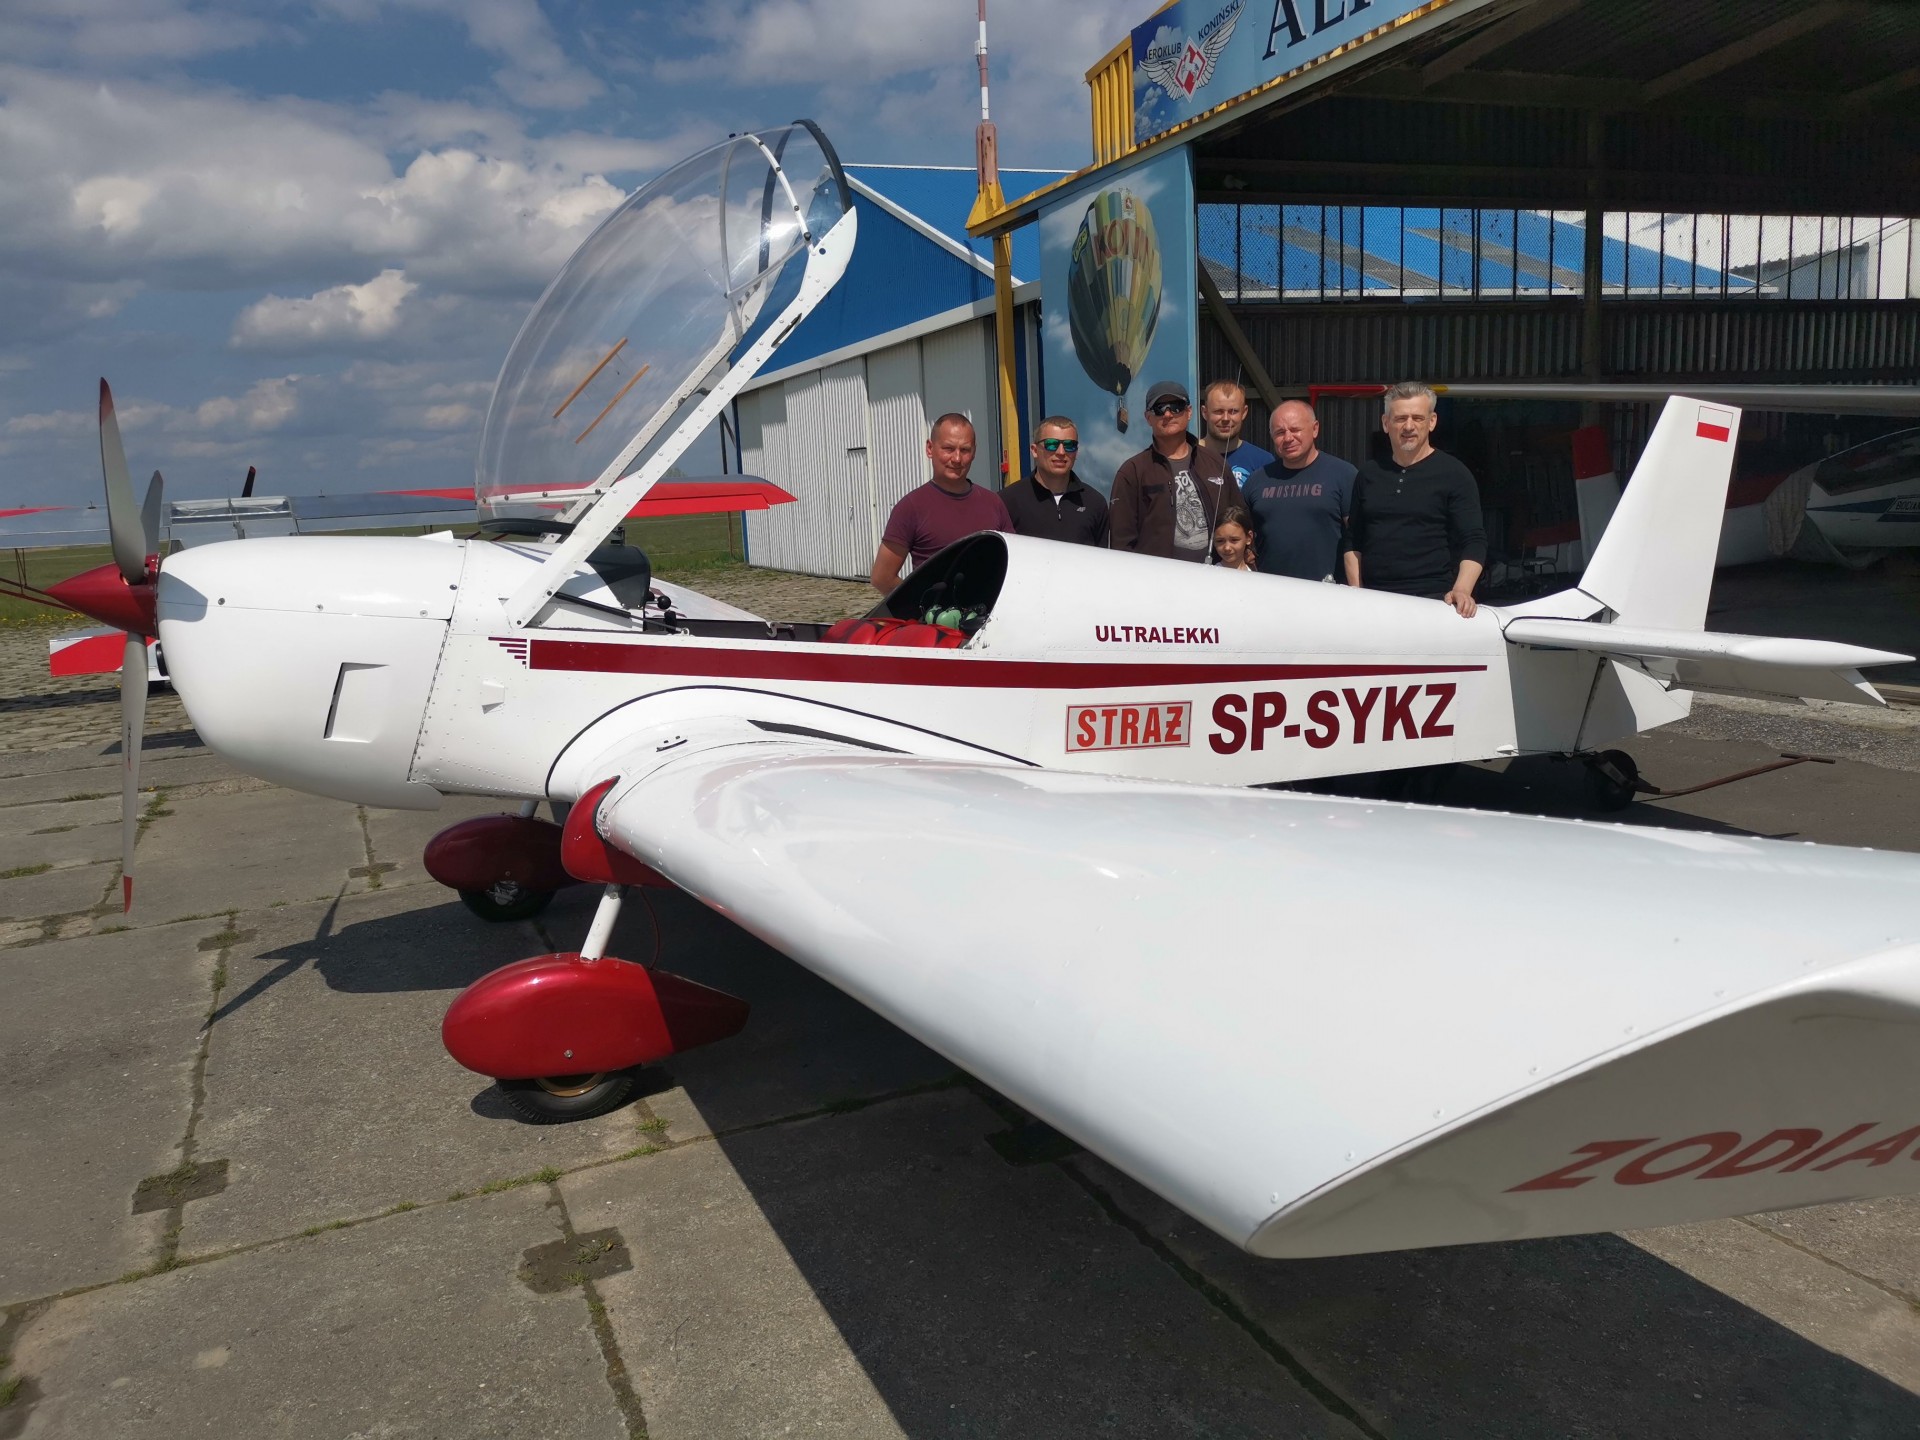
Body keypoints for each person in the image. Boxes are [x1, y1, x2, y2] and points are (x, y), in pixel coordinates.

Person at [1347, 382, 1486, 617]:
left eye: (1418, 418)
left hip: (1433, 602)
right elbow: (1353, 540)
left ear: (1432, 422)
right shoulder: (1368, 474)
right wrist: (1357, 593)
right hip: (1374, 602)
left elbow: (1474, 539)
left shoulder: (1455, 474)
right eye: (1400, 418)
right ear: (1386, 423)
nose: (1409, 426)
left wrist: (1461, 590)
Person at [871, 413, 1013, 595]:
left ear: (974, 452)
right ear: (930, 449)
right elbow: (882, 577)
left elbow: (1014, 562)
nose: (957, 458)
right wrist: (923, 604)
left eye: (965, 450)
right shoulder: (911, 507)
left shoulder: (993, 502)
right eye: (948, 449)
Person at [1109, 381, 1243, 562]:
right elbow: (1121, 543)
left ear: (1189, 412)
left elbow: (1240, 519)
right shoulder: (1132, 472)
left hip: (1215, 574)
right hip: (1158, 577)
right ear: (1148, 418)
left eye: (1176, 407)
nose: (1168, 414)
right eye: (1159, 409)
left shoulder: (1216, 463)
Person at [1243, 399, 1356, 583]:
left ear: (1315, 429)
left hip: (1328, 591)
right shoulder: (1257, 480)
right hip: (1270, 590)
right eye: (1280, 432)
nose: (1288, 438)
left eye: (1295, 430)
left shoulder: (1343, 475)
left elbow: (1358, 539)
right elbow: (1240, 535)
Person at [1002, 415, 1109, 546]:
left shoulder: (1095, 503)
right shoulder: (1008, 501)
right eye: (1051, 444)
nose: (1061, 452)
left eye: (1069, 445)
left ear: (1076, 452)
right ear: (1034, 451)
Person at [1199, 380, 1274, 489]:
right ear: (1205, 413)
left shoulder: (1263, 461)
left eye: (1233, 411)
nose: (1225, 418)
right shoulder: (1188, 457)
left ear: (1244, 412)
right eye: (1218, 411)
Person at [1213, 506, 1257, 571]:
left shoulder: (1254, 575)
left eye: (1234, 540)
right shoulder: (1210, 574)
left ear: (1249, 538)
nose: (1227, 548)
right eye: (1220, 541)